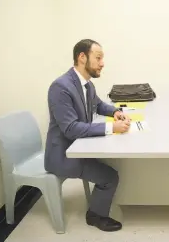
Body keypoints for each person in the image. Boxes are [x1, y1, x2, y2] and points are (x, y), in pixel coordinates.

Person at [44, 39, 131, 232]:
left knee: (112, 161)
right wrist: (112, 128)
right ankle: (96, 216)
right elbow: (72, 129)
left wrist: (115, 111)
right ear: (82, 57)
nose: (102, 63)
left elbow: (98, 105)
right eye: (98, 58)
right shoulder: (60, 87)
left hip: (79, 147)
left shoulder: (87, 85)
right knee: (110, 176)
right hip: (63, 155)